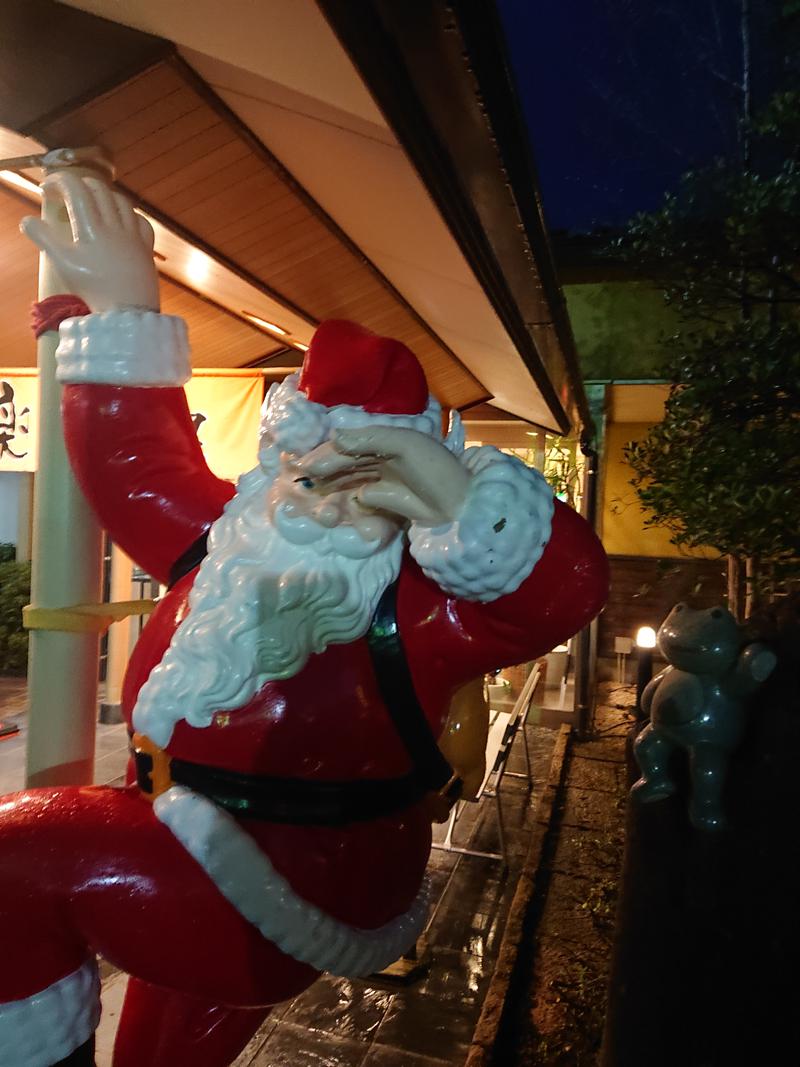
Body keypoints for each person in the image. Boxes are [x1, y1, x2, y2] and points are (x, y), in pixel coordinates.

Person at [0, 172, 608, 1067]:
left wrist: (454, 498)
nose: (330, 495)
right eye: (311, 464)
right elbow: (138, 465)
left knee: (17, 863)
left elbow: (558, 592)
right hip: (184, 833)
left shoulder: (427, 607)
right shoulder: (229, 535)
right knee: (169, 1038)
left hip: (303, 874)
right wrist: (126, 304)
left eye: (370, 470)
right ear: (280, 458)